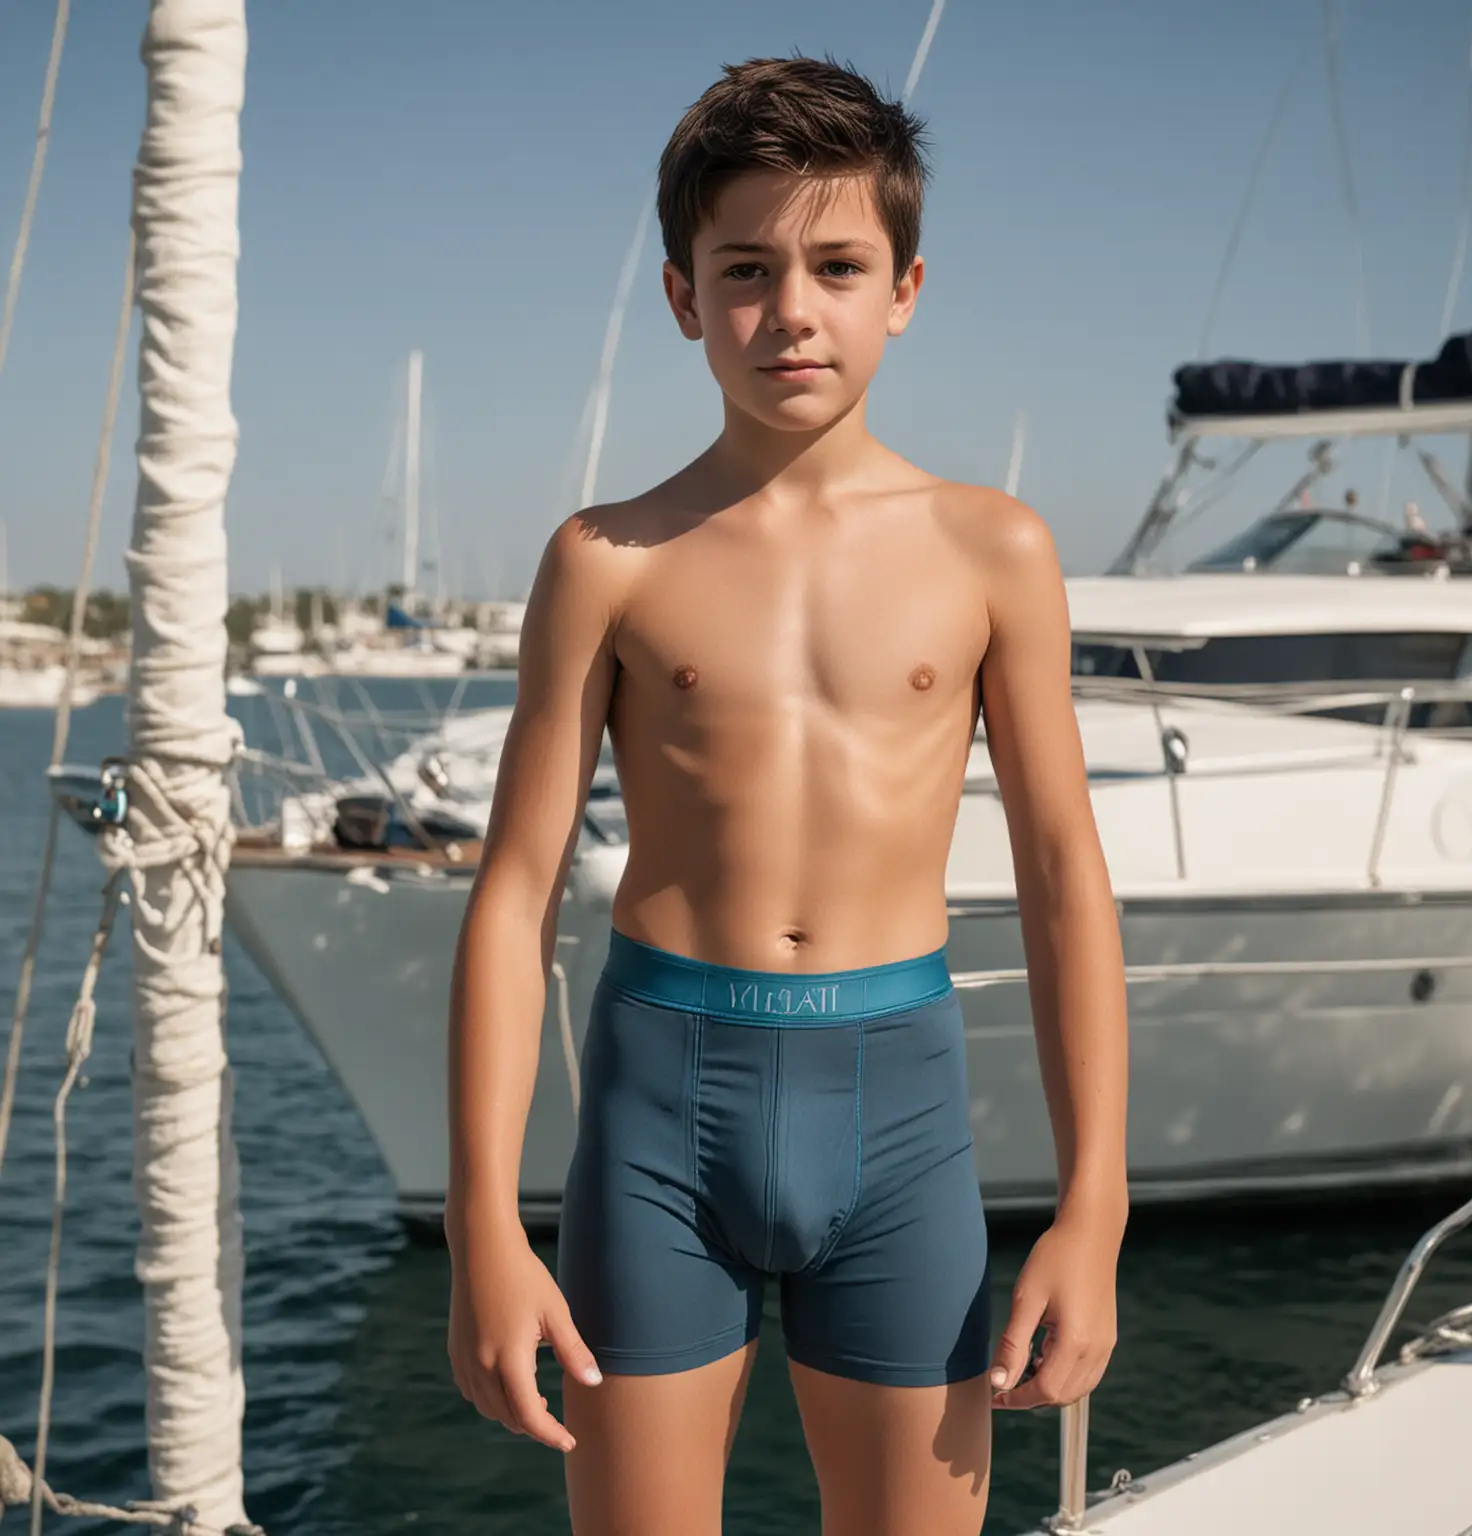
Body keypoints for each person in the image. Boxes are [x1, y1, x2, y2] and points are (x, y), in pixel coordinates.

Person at [446, 55, 1128, 1536]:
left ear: (906, 286)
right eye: (745, 269)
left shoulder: (990, 549)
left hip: (902, 1115)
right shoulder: (609, 558)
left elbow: (1067, 876)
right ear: (686, 296)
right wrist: (481, 1224)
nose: (791, 311)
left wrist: (1097, 1207)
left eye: (836, 265)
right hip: (657, 1112)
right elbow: (512, 891)